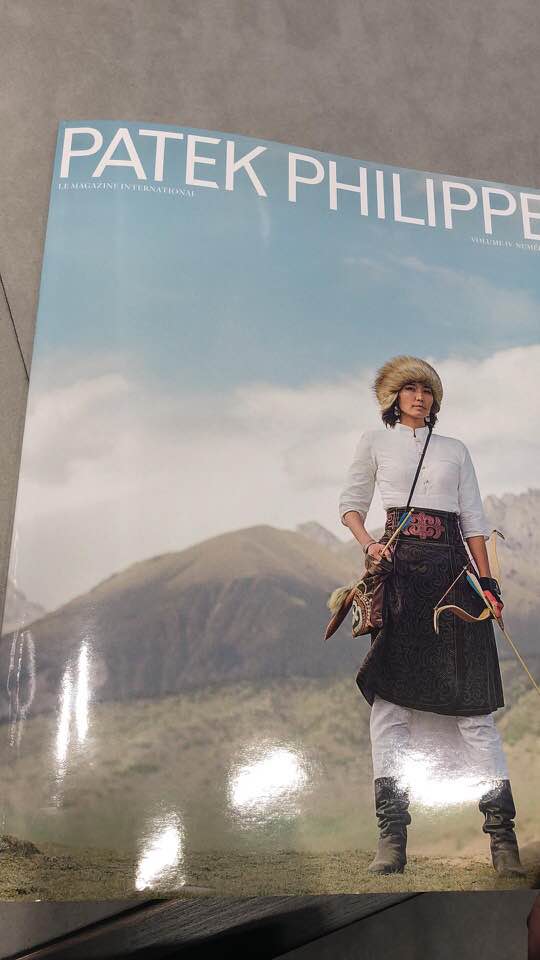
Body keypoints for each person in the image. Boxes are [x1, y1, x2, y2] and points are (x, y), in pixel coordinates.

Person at [338, 355, 525, 878]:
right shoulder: (373, 443)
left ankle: (503, 842)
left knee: (475, 709)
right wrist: (370, 545)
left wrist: (488, 585)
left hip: (452, 578)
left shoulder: (455, 450)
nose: (420, 397)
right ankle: (391, 840)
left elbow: (474, 520)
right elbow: (350, 504)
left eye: (427, 391)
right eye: (410, 389)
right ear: (394, 398)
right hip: (400, 577)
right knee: (390, 708)